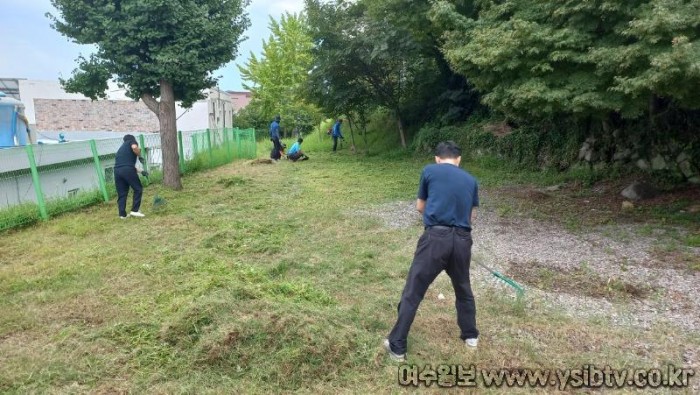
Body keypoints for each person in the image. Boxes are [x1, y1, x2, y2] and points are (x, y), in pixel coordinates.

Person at [384, 141, 480, 362]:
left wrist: (436, 221)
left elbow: (420, 207)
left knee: (414, 289)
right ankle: (470, 336)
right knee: (463, 288)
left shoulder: (429, 170)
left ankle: (397, 346)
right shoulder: (471, 179)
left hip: (435, 238)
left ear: (437, 158)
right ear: (459, 160)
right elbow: (471, 216)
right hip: (463, 239)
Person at [114, 134, 145, 219]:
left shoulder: (121, 149)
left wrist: (141, 171)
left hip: (117, 171)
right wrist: (139, 156)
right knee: (138, 188)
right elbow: (135, 148)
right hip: (127, 169)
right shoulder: (131, 141)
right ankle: (135, 210)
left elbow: (125, 165)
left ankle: (122, 214)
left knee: (122, 193)